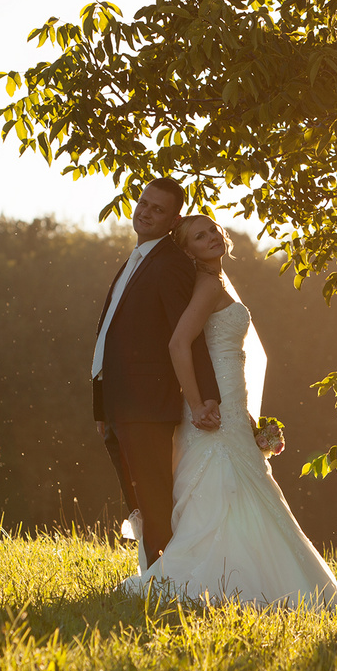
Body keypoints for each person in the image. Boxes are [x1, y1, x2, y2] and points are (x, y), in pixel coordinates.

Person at [120, 214, 337, 612]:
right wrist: (197, 406)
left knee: (243, 487)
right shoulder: (208, 284)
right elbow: (179, 344)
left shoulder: (217, 281)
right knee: (223, 487)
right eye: (199, 236)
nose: (211, 237)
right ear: (187, 250)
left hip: (232, 404)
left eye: (212, 229)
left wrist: (250, 421)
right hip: (212, 409)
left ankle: (249, 580)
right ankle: (227, 583)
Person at [92, 178, 222, 574]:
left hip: (148, 402)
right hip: (118, 400)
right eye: (143, 203)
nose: (146, 212)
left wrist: (207, 395)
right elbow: (111, 334)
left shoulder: (169, 264)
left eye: (158, 209)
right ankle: (151, 572)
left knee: (153, 498)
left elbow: (187, 336)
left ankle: (163, 579)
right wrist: (101, 407)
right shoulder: (137, 258)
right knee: (135, 497)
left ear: (173, 220)